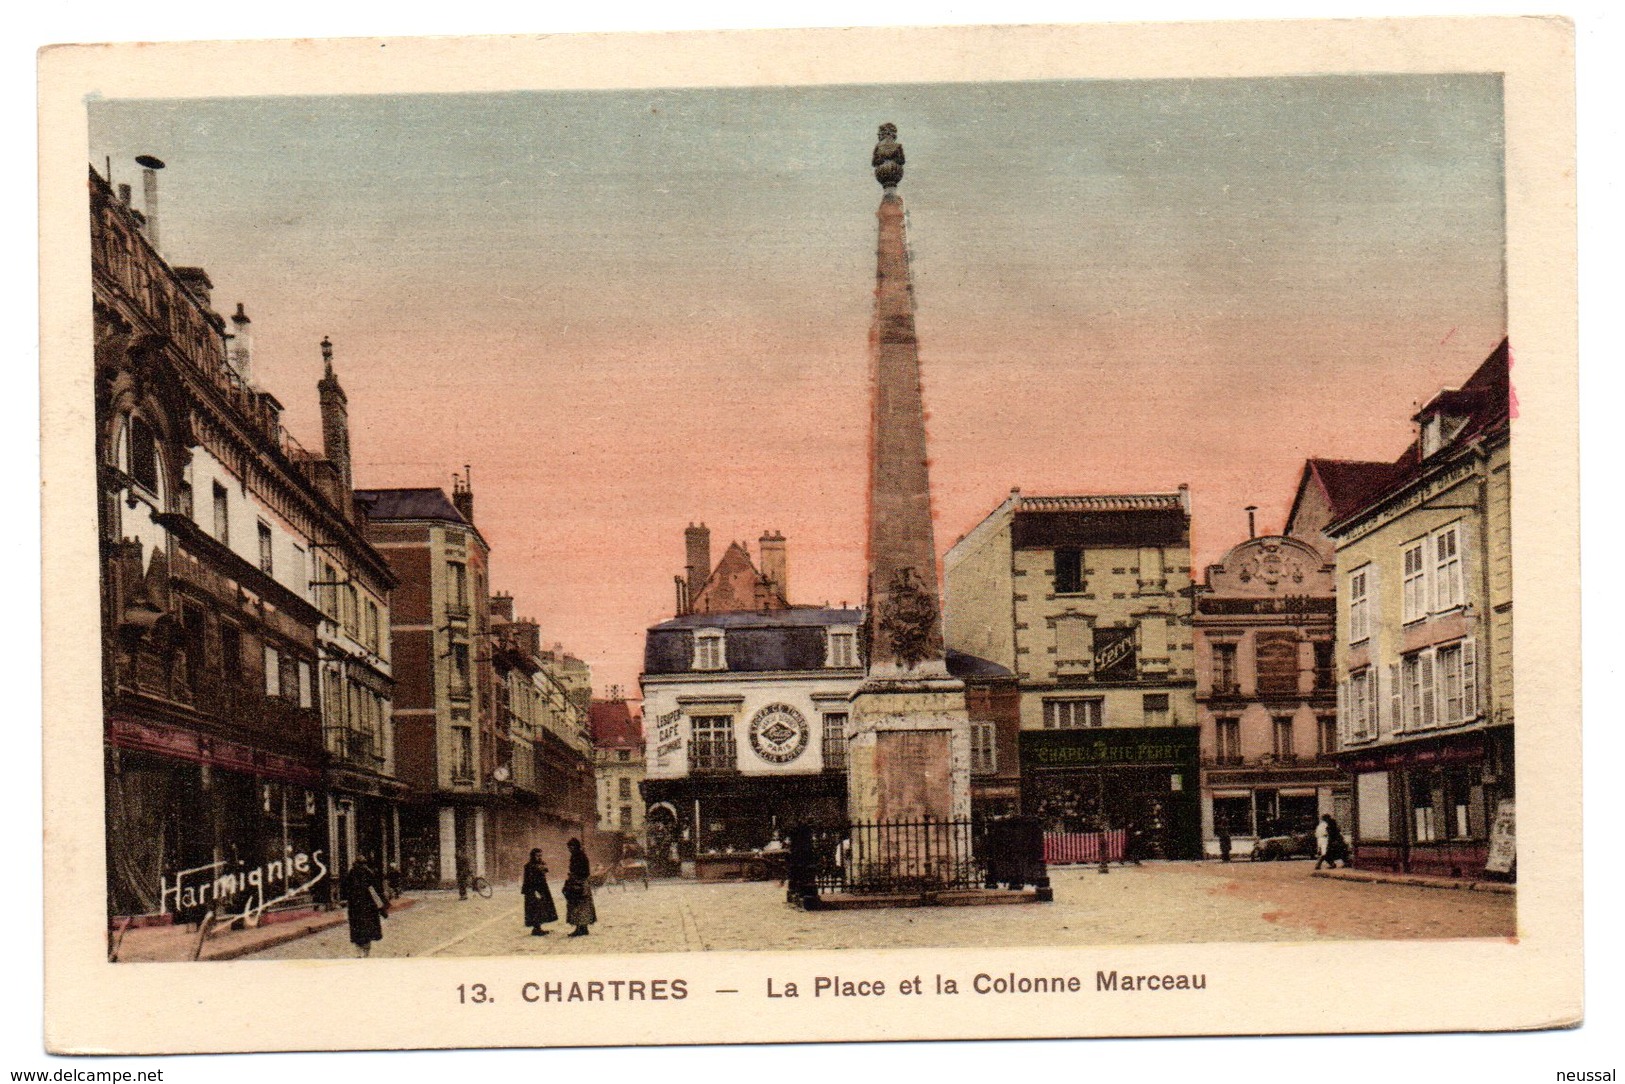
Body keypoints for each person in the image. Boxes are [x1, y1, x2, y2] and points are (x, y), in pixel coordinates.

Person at [342, 854, 388, 958]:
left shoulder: (350, 873)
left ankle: (358, 953)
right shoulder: (368, 873)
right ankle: (366, 954)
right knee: (367, 932)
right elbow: (374, 892)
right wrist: (382, 909)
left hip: (355, 908)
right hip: (368, 907)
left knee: (357, 931)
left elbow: (345, 890)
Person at [562, 838, 597, 937]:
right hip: (580, 882)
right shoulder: (578, 855)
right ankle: (582, 928)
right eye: (569, 847)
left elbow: (584, 872)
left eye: (571, 847)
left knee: (578, 906)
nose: (570, 849)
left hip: (579, 883)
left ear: (576, 846)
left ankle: (580, 928)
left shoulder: (579, 856)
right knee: (581, 906)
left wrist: (575, 877)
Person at [521, 848, 558, 936]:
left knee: (541, 908)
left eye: (540, 855)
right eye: (537, 856)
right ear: (533, 856)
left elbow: (545, 872)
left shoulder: (540, 864)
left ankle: (538, 927)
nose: (539, 857)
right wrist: (533, 891)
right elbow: (529, 880)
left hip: (541, 888)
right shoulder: (529, 866)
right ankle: (536, 928)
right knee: (535, 908)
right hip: (533, 889)